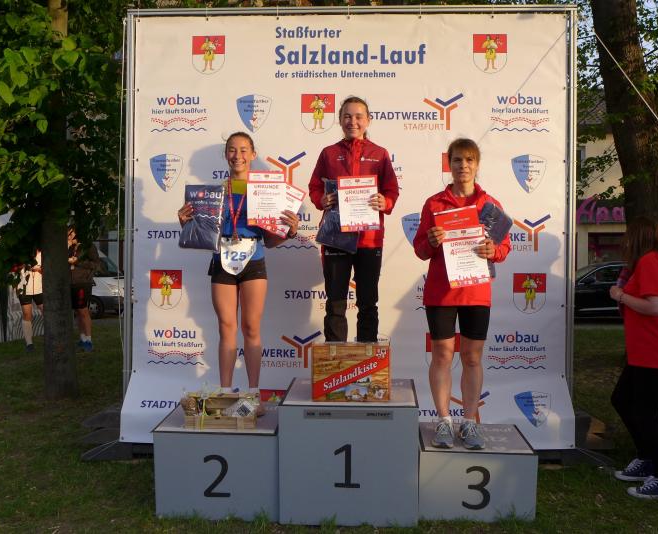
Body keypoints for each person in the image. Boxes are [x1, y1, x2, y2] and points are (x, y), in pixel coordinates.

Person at [177, 132, 299, 403]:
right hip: (222, 259)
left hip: (254, 259)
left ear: (253, 154)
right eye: (232, 150)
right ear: (225, 155)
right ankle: (225, 392)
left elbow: (271, 240)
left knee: (251, 327)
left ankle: (254, 393)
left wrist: (289, 232)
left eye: (244, 150)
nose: (238, 155)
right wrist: (187, 224)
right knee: (226, 327)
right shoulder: (212, 194)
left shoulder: (266, 192)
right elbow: (202, 235)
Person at [413, 138, 511, 450]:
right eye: (457, 160)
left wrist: (493, 251)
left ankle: (469, 422)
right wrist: (431, 240)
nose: (463, 166)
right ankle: (443, 420)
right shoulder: (434, 204)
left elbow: (504, 247)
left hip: (476, 291)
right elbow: (420, 249)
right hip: (441, 292)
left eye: (469, 160)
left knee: (471, 357)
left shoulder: (490, 205)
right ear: (450, 164)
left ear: (477, 165)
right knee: (442, 355)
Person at [308, 95, 399, 343]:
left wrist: (386, 202)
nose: (353, 122)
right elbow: (315, 187)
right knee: (335, 302)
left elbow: (391, 189)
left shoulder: (380, 154)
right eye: (347, 116)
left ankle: (367, 360)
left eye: (359, 116)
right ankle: (335, 359)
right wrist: (321, 200)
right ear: (340, 120)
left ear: (368, 120)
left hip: (369, 240)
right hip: (336, 238)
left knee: (368, 302)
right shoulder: (329, 153)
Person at [608, 216, 658, 500]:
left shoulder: (650, 261)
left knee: (644, 413)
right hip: (651, 350)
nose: (625, 241)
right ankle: (646, 459)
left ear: (637, 238)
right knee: (622, 399)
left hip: (655, 351)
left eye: (629, 235)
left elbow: (655, 307)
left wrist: (620, 295)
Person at [67, 228, 99, 352]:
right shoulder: (70, 248)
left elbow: (96, 264)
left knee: (83, 310)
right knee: (77, 311)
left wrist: (78, 262)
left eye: (71, 233)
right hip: (71, 282)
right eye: (68, 233)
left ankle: (89, 340)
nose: (68, 235)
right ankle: (82, 338)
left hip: (83, 282)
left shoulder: (88, 247)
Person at [15, 250, 43, 352]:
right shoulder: (23, 252)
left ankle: (52, 337)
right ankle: (29, 344)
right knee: (27, 314)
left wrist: (39, 269)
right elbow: (14, 267)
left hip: (39, 288)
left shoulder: (43, 253)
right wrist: (25, 266)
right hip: (24, 288)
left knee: (47, 312)